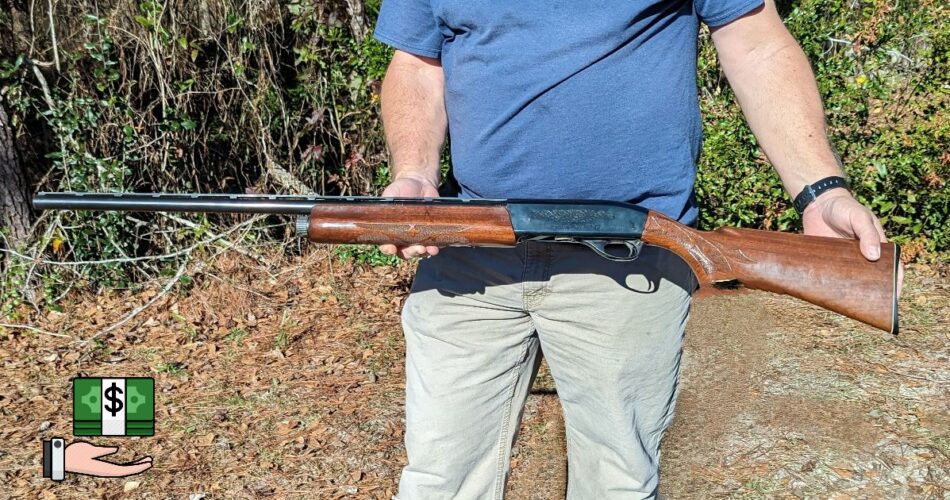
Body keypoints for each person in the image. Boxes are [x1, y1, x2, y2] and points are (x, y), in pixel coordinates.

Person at [372, 0, 891, 498]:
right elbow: (418, 61)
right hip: (470, 248)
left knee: (616, 484)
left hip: (630, 257)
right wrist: (414, 172)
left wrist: (820, 190)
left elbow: (755, 41)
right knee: (440, 482)